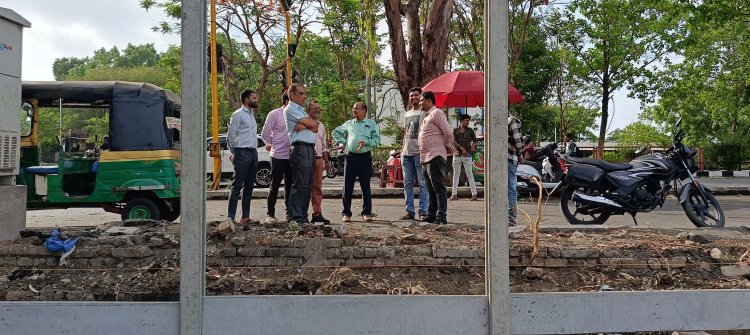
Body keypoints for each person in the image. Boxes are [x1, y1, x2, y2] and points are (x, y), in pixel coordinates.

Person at [332, 102, 381, 222]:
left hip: (365, 157)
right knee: (347, 185)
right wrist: (345, 142)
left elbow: (377, 139)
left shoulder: (371, 123)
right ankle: (346, 213)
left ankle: (367, 212)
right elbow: (335, 132)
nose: (354, 111)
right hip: (350, 157)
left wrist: (366, 142)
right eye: (353, 109)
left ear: (364, 110)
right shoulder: (349, 123)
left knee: (365, 186)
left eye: (357, 109)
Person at [284, 83, 318, 228]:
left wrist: (307, 124)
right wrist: (309, 123)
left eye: (305, 93)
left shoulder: (301, 110)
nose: (305, 96)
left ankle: (302, 217)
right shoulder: (290, 109)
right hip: (300, 149)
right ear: (292, 95)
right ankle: (296, 218)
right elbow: (312, 124)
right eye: (301, 93)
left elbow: (315, 126)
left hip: (310, 149)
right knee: (300, 184)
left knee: (308, 185)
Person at [417, 91, 454, 225]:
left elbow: (448, 132)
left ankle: (441, 216)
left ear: (429, 101)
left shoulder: (437, 113)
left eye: (421, 100)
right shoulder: (425, 116)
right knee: (430, 188)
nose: (419, 103)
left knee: (438, 187)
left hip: (435, 155)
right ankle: (432, 214)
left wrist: (449, 146)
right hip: (425, 157)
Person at [226, 89, 261, 226]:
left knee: (249, 187)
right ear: (246, 100)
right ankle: (230, 218)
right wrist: (234, 152)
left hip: (253, 153)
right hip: (242, 153)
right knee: (237, 187)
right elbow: (231, 135)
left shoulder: (252, 115)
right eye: (253, 98)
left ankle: (245, 217)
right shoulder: (238, 115)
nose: (256, 100)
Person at [260, 93, 291, 224]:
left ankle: (289, 213)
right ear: (285, 101)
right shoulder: (275, 114)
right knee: (275, 185)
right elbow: (265, 133)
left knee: (290, 186)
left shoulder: (296, 115)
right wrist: (274, 144)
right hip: (278, 155)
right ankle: (270, 213)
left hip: (291, 156)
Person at [400, 87, 429, 221]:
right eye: (411, 96)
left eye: (416, 95)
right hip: (406, 153)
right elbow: (405, 132)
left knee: (422, 183)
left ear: (420, 97)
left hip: (419, 153)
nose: (413, 98)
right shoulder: (406, 114)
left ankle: (423, 211)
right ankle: (409, 211)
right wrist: (401, 149)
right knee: (407, 183)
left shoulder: (424, 113)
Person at [308, 101, 330, 224]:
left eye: (318, 108)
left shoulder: (321, 125)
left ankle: (317, 213)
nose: (317, 110)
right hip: (306, 159)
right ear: (308, 110)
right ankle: (301, 214)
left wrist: (326, 161)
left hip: (319, 159)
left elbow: (323, 146)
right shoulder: (304, 122)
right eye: (314, 108)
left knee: (317, 188)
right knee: (304, 187)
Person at [450, 113, 478, 201]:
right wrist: (461, 148)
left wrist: (473, 146)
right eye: (466, 120)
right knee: (456, 174)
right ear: (461, 121)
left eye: (468, 121)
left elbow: (475, 140)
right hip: (457, 154)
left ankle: (474, 194)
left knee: (469, 174)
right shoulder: (455, 130)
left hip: (467, 155)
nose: (467, 122)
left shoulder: (470, 130)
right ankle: (454, 194)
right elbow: (453, 141)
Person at [508, 113, 525, 227]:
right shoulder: (512, 120)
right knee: (511, 190)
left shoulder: (494, 121)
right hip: (510, 158)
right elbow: (518, 141)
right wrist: (521, 152)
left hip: (496, 161)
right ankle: (511, 218)